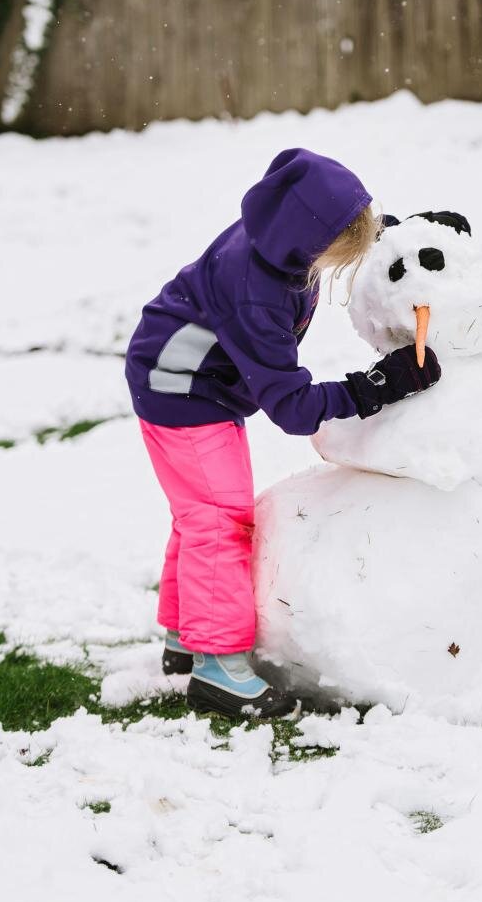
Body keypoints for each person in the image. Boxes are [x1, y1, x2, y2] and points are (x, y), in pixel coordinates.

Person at [125, 148, 441, 718]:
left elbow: (352, 232)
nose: (358, 244)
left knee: (199, 513)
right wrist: (376, 385)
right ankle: (217, 665)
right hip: (182, 390)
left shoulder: (280, 236)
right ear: (309, 240)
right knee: (221, 518)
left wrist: (401, 242)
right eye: (349, 239)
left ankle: (186, 636)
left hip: (194, 379)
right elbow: (293, 408)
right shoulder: (256, 292)